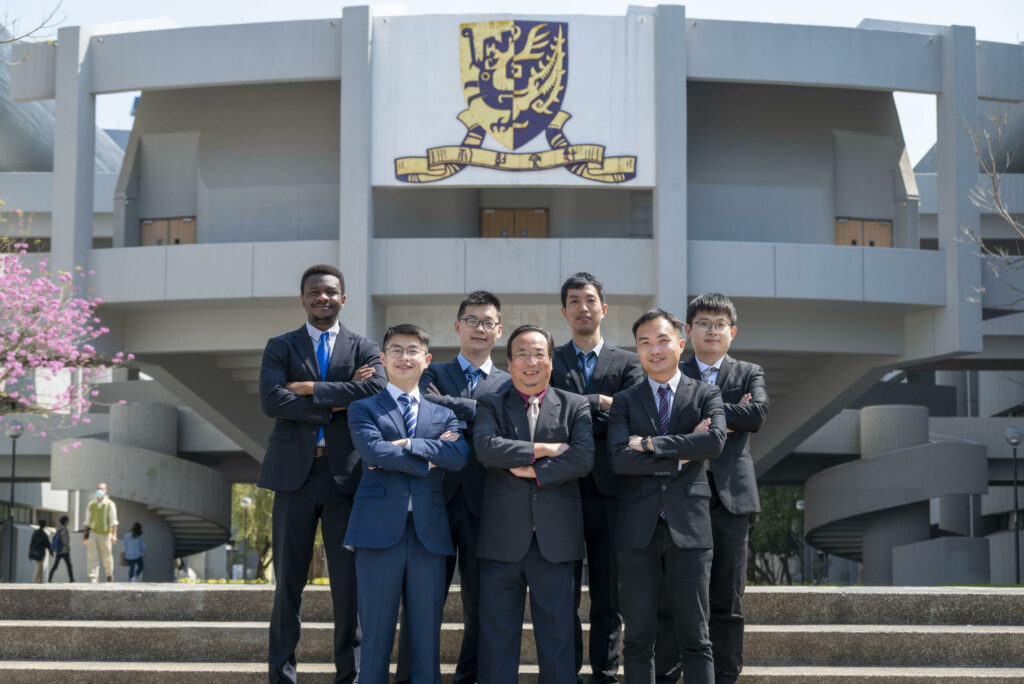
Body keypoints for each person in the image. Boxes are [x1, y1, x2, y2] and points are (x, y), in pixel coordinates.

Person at [258, 264, 387, 684]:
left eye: (330, 292)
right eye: (314, 292)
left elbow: (375, 389)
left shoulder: (365, 348)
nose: (322, 298)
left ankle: (348, 677)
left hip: (345, 478)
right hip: (293, 477)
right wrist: (339, 397)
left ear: (343, 299)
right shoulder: (280, 346)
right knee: (287, 587)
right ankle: (282, 676)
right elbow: (273, 401)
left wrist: (311, 389)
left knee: (348, 588)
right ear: (303, 298)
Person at [396, 290, 513, 684]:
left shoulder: (511, 382)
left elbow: (501, 426)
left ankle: (470, 678)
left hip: (491, 503)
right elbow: (424, 416)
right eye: (471, 320)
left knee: (481, 605)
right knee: (421, 602)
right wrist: (482, 413)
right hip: (433, 500)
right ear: (457, 326)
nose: (479, 328)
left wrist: (452, 408)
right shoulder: (430, 373)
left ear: (498, 330)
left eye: (487, 322)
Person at [345, 323, 470, 684]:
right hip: (376, 532)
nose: (404, 357)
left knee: (427, 639)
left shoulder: (443, 414)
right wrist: (432, 457)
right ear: (383, 359)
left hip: (428, 535)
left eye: (412, 350)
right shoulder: (362, 407)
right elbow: (372, 451)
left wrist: (406, 446)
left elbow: (459, 455)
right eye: (396, 350)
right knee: (375, 639)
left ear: (426, 359)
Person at [608, 309, 726, 684]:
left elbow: (714, 441)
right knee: (639, 640)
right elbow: (618, 459)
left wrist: (649, 444)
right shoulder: (625, 400)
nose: (654, 349)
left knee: (697, 638)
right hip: (636, 533)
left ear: (680, 342)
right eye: (644, 343)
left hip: (690, 530)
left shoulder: (707, 393)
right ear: (637, 350)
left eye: (662, 340)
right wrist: (680, 458)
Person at [656, 294, 769, 684]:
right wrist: (727, 411)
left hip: (731, 500)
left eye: (719, 323)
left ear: (732, 332)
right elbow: (666, 420)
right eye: (703, 322)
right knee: (673, 598)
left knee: (727, 600)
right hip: (682, 497)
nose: (712, 330)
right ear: (687, 331)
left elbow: (757, 415)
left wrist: (704, 413)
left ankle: (724, 677)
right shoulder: (672, 368)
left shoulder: (749, 371)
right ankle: (668, 676)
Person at [474, 325, 594, 684]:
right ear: (508, 363)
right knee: (496, 641)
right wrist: (545, 450)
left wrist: (534, 473)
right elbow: (486, 448)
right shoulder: (490, 402)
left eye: (539, 353)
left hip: (555, 543)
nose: (531, 361)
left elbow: (584, 458)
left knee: (558, 639)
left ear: (551, 361)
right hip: (501, 540)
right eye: (522, 354)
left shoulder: (575, 406)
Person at [551, 272, 644, 683]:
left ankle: (606, 672)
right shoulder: (549, 360)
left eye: (589, 300)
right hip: (561, 490)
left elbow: (629, 414)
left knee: (609, 591)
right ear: (564, 311)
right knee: (562, 591)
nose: (582, 307)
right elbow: (547, 412)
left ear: (603, 309)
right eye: (574, 300)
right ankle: (565, 671)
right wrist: (594, 403)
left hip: (612, 492)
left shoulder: (628, 362)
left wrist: (575, 412)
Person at [84, 483, 118, 583]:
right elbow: (87, 521)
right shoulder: (91, 505)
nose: (100, 491)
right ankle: (93, 578)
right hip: (93, 533)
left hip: (106, 534)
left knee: (107, 557)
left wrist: (114, 535)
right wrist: (84, 536)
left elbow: (114, 522)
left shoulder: (110, 504)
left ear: (106, 491)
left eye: (102, 489)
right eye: (98, 489)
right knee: (92, 556)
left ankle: (109, 575)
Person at [48, 515, 74, 582]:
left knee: (55, 566)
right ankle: (71, 579)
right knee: (69, 566)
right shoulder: (65, 530)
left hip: (58, 550)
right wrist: (68, 545)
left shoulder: (58, 529)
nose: (68, 523)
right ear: (65, 522)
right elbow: (65, 541)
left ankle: (49, 578)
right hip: (65, 551)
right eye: (67, 521)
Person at [29, 519, 49, 583]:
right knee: (39, 567)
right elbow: (47, 544)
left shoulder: (35, 532)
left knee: (39, 566)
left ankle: (39, 581)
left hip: (36, 552)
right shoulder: (43, 534)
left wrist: (30, 552)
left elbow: (32, 543)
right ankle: (36, 581)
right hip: (41, 552)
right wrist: (51, 551)